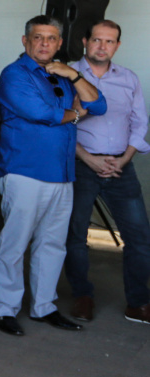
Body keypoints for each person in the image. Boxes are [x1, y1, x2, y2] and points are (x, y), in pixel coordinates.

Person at [0, 15, 106, 336]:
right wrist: (75, 113)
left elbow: (99, 104)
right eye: (38, 37)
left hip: (62, 174)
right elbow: (42, 113)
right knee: (15, 243)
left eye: (51, 38)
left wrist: (74, 74)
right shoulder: (15, 74)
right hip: (24, 172)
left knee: (53, 244)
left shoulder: (64, 73)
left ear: (59, 43)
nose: (44, 44)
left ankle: (43, 306)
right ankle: (5, 308)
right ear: (25, 41)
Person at [63, 19, 150, 324]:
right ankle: (82, 296)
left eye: (109, 41)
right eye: (97, 40)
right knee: (75, 235)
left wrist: (125, 159)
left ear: (118, 45)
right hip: (80, 165)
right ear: (85, 41)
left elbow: (140, 123)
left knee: (140, 237)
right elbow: (61, 124)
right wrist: (88, 158)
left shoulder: (128, 79)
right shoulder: (66, 74)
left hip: (120, 167)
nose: (102, 46)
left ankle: (138, 303)